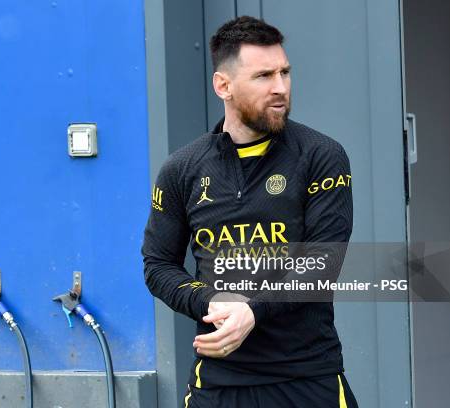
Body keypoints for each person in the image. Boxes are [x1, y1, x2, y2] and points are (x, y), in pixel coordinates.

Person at [142, 16, 359, 407]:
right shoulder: (182, 169)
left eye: (285, 73)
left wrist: (253, 312)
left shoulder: (321, 156)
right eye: (263, 76)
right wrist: (210, 301)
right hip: (219, 382)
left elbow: (325, 260)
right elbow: (158, 265)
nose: (281, 88)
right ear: (222, 85)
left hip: (308, 376)